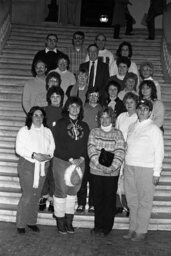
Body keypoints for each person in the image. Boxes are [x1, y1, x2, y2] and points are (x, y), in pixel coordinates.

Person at [123, 99, 164, 241]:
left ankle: (141, 231)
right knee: (132, 201)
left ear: (150, 112)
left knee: (144, 201)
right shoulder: (132, 126)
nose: (141, 111)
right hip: (129, 167)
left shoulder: (154, 129)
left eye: (145, 109)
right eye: (140, 108)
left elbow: (159, 151)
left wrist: (157, 172)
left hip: (146, 168)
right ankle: (132, 228)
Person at [52, 96, 89, 234]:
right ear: (67, 107)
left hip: (79, 162)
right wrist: (70, 158)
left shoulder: (84, 126)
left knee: (73, 191)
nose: (75, 109)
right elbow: (56, 144)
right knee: (61, 190)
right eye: (72, 106)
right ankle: (60, 222)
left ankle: (69, 222)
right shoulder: (60, 123)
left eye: (77, 106)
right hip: (62, 161)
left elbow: (86, 145)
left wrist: (81, 157)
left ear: (80, 109)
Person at [15, 106, 55, 234]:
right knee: (27, 195)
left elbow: (52, 147)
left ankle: (32, 221)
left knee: (36, 195)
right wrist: (34, 155)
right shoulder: (24, 130)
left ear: (44, 118)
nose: (38, 118)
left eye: (41, 115)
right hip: (28, 165)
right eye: (36, 115)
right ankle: (21, 224)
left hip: (43, 165)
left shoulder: (47, 131)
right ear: (31, 116)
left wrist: (47, 156)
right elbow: (19, 149)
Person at [88, 107, 125, 236]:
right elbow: (91, 150)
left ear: (112, 119)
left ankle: (106, 228)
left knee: (109, 201)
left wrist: (112, 167)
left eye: (107, 117)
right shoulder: (94, 132)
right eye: (102, 117)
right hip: (95, 172)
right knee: (97, 200)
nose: (104, 120)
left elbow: (120, 151)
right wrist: (100, 166)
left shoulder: (118, 133)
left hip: (111, 174)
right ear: (99, 119)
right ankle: (97, 226)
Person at [76, 89, 102, 214]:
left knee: (94, 177)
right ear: (87, 96)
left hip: (97, 147)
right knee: (83, 176)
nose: (93, 98)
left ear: (99, 97)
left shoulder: (102, 109)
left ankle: (92, 203)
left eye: (95, 96)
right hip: (84, 145)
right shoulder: (82, 108)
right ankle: (81, 203)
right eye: (91, 95)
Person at [39, 86, 64, 213]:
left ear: (61, 98)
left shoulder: (64, 112)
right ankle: (43, 197)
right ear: (49, 98)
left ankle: (53, 198)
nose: (55, 99)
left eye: (57, 96)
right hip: (44, 148)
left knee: (55, 174)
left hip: (59, 149)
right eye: (53, 96)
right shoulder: (43, 111)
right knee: (44, 172)